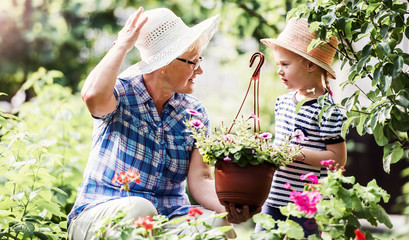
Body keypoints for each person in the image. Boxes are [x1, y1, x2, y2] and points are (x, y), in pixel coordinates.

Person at [67, 7, 254, 239]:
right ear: (165, 63)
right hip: (101, 215)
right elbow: (92, 97)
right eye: (193, 62)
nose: (200, 70)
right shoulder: (121, 94)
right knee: (140, 209)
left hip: (168, 218)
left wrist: (228, 209)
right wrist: (123, 45)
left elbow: (201, 178)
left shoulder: (194, 112)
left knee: (217, 225)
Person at [255, 18, 347, 236]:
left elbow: (337, 159)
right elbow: (281, 145)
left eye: (285, 65)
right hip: (276, 196)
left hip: (309, 202)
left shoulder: (329, 110)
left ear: (310, 65)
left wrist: (296, 153)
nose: (279, 71)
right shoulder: (283, 102)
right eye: (278, 65)